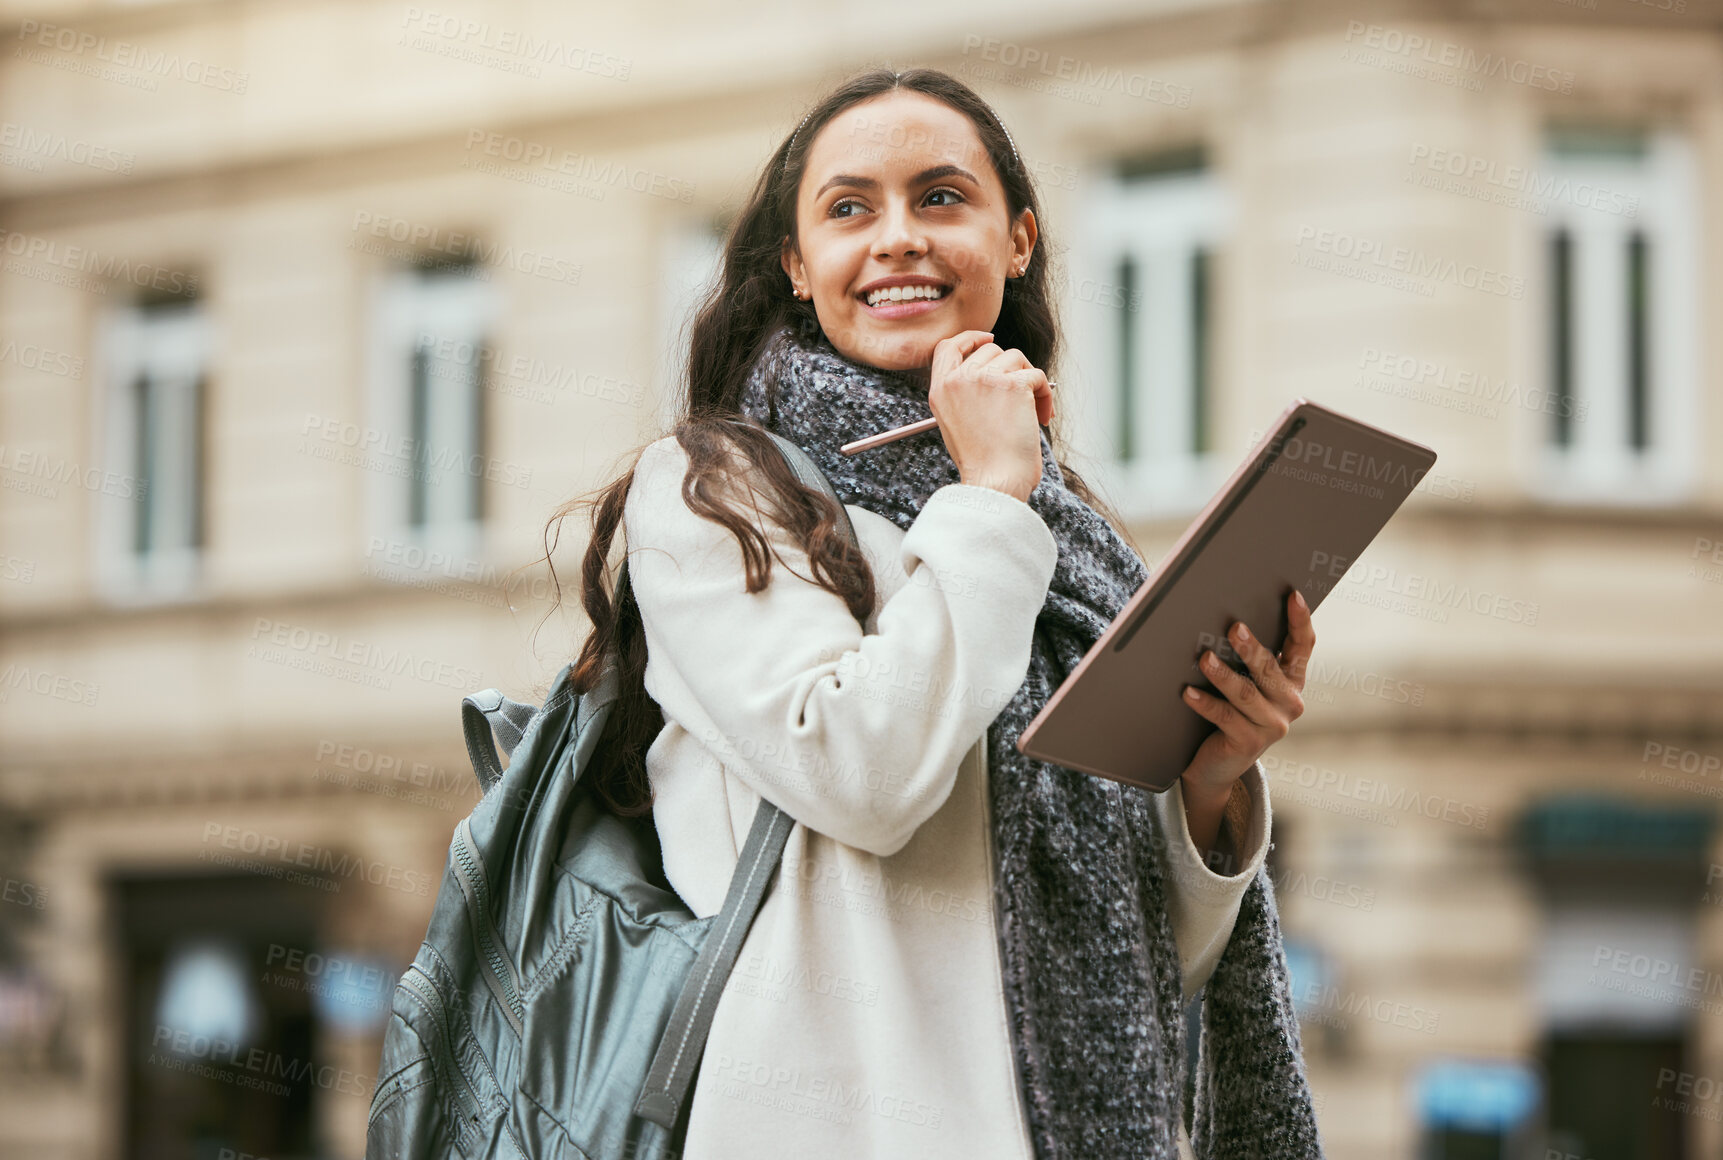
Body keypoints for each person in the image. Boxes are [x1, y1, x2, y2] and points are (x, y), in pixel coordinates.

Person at [547, 66, 1325, 1160]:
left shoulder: (1065, 533)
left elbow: (1149, 960)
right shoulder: (717, 486)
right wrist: (992, 494)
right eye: (850, 208)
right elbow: (862, 775)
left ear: (1017, 240)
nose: (898, 237)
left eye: (942, 197)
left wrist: (1208, 784)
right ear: (797, 264)